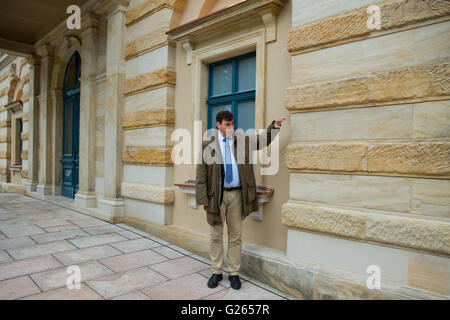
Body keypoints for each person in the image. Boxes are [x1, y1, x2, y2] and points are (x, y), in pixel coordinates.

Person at [195, 110, 285, 290]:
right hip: (216, 197)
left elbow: (261, 141)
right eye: (227, 124)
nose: (231, 128)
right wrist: (203, 197)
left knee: (236, 236)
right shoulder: (207, 145)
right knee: (216, 235)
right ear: (218, 125)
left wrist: (273, 128)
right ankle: (216, 271)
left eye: (232, 124)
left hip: (237, 195)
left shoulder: (241, 140)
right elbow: (201, 173)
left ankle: (234, 273)